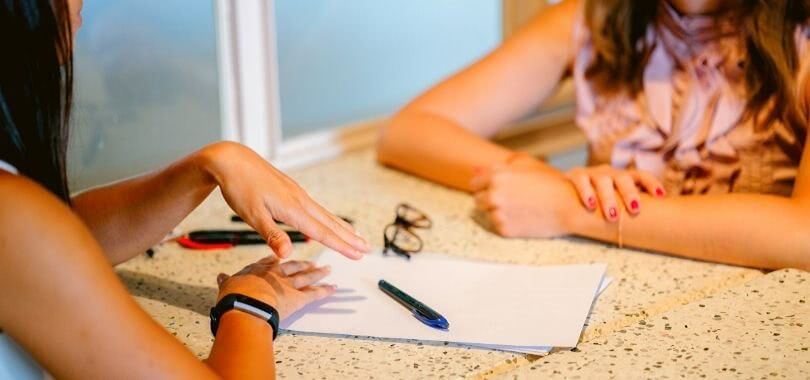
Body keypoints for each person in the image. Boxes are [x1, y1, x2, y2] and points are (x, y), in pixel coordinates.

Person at [0, 0, 371, 378]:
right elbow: (35, 240)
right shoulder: (12, 218)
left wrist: (209, 165)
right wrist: (250, 306)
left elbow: (59, 237)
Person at [377, 0, 810, 270]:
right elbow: (408, 131)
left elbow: (802, 235)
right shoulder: (587, 18)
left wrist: (575, 212)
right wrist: (538, 176)